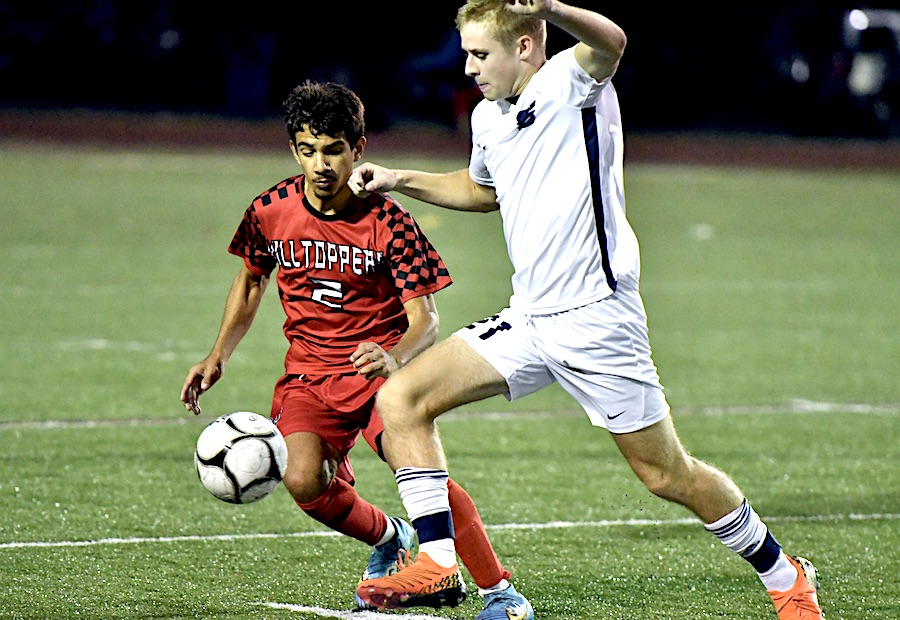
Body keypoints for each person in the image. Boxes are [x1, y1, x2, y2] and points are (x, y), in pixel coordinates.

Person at [349, 2, 825, 619]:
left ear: (524, 47)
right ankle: (439, 565)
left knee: (667, 476)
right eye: (465, 52)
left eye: (479, 54)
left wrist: (547, 7)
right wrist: (398, 177)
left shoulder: (571, 80)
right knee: (402, 399)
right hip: (531, 318)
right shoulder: (489, 118)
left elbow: (614, 40)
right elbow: (480, 190)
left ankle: (787, 578)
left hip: (599, 319)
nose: (467, 67)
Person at [180, 79, 533, 619]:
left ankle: (500, 593)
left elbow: (426, 319)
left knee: (428, 481)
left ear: (358, 149)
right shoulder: (269, 210)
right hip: (307, 374)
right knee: (300, 479)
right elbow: (252, 280)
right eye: (308, 149)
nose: (321, 164)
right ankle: (389, 537)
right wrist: (217, 354)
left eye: (333, 150)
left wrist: (395, 358)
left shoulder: (389, 222)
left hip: (377, 375)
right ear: (294, 149)